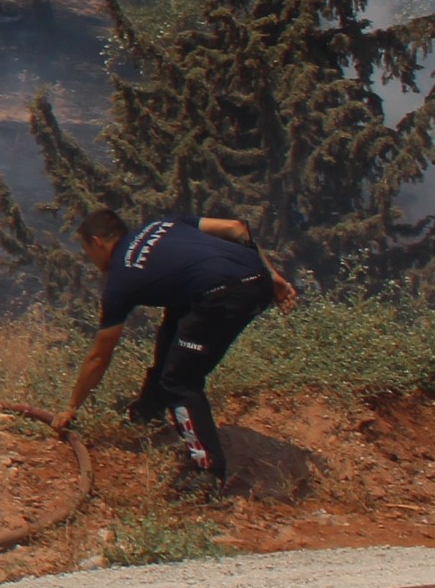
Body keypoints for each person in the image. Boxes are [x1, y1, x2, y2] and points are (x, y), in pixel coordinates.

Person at [51, 206, 300, 491]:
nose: (91, 260)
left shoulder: (121, 278)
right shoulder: (164, 224)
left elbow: (99, 356)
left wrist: (71, 407)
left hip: (225, 296)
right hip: (256, 278)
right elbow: (237, 228)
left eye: (87, 252)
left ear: (97, 243)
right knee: (176, 316)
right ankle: (148, 410)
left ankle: (208, 471)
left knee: (179, 381)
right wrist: (274, 277)